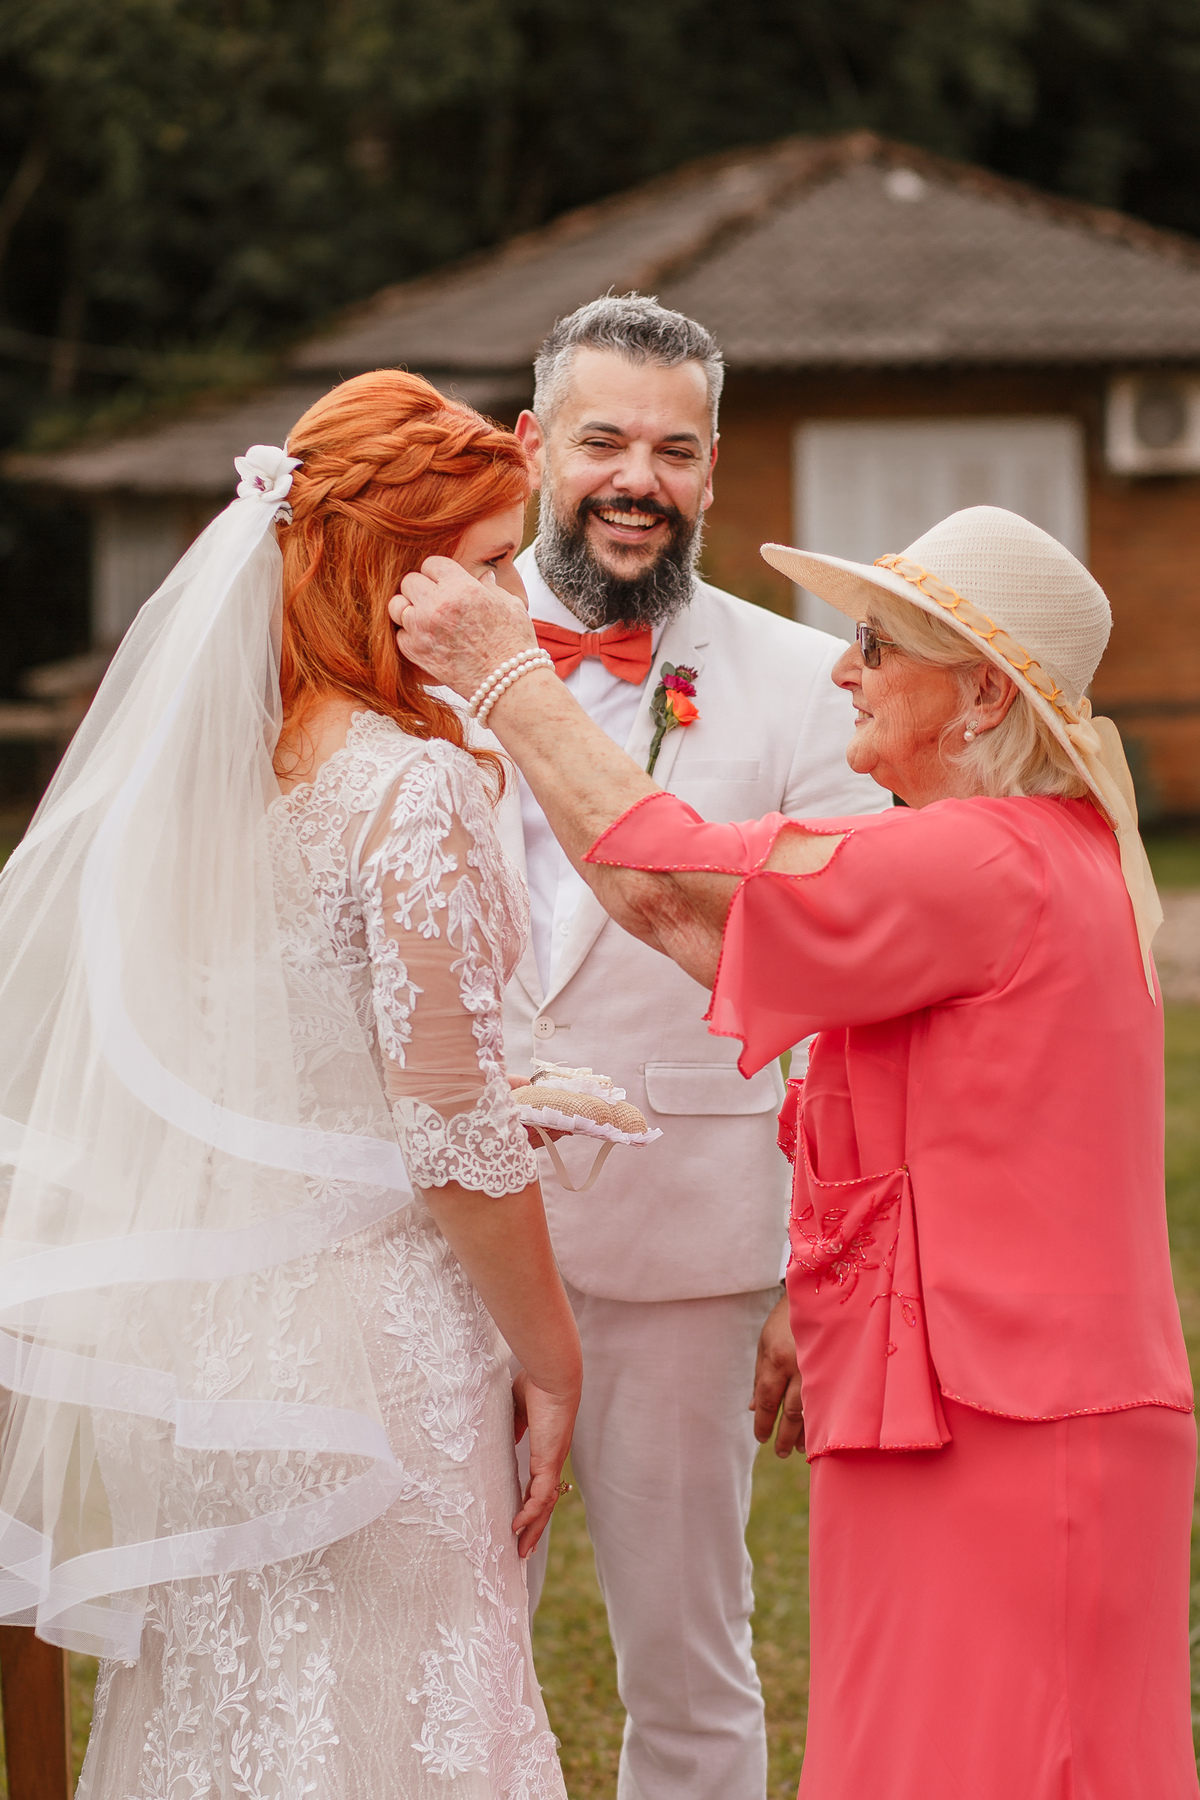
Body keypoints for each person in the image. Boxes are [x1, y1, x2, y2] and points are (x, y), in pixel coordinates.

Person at [392, 502, 1198, 1799]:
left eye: (875, 646)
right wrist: (830, 1304)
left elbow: (672, 894)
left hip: (1014, 1423)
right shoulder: (1029, 850)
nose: (840, 672)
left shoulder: (983, 857)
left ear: (985, 694)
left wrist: (506, 676)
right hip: (971, 1400)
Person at [0, 370, 580, 1800]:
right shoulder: (412, 789)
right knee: (399, 1730)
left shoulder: (201, 786)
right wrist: (554, 1359)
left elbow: (253, 1062)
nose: (512, 599)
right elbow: (449, 1136)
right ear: (393, 573)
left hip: (216, 1354)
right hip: (379, 1356)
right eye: (489, 565)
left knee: (230, 1728)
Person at [490, 293, 887, 1800]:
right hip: (449, 1233)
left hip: (691, 1240)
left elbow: (852, 995)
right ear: (535, 445)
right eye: (603, 442)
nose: (635, 480)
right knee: (455, 1643)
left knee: (690, 1657)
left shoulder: (805, 684)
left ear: (714, 468)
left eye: (673, 450)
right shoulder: (416, 644)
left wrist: (815, 1259)